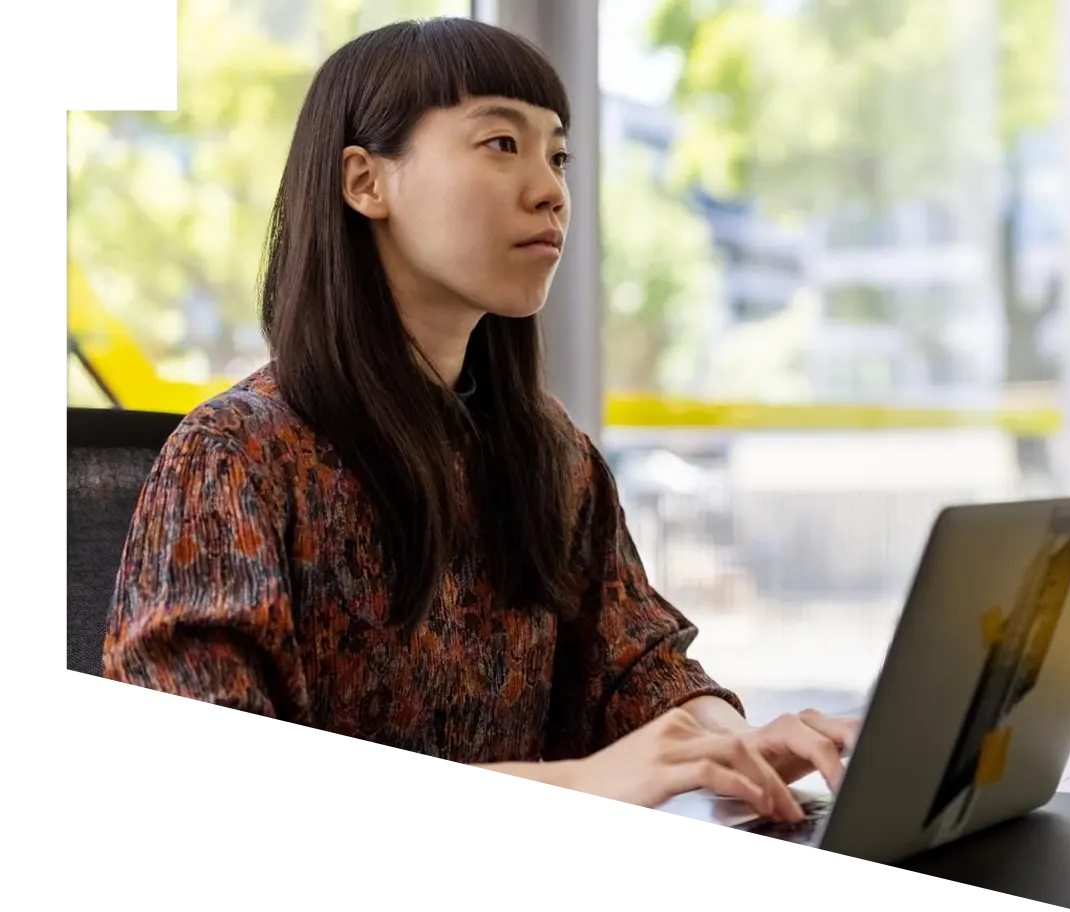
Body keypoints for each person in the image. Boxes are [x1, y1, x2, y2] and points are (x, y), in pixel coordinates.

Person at [102, 17, 858, 822]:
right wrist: (573, 782)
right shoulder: (235, 458)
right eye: (502, 144)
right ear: (366, 182)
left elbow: (632, 666)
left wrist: (723, 739)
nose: (551, 190)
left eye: (558, 156)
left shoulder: (553, 454)